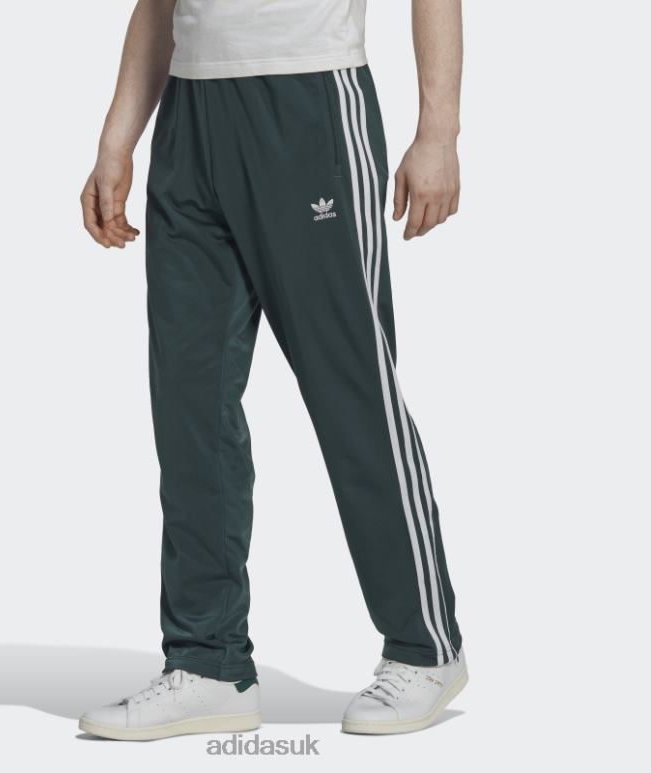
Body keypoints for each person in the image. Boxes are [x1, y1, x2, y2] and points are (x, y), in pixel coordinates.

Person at [79, 0, 466, 740]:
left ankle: (426, 647)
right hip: (190, 118)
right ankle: (208, 661)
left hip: (308, 102)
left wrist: (438, 131)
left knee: (352, 392)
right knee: (190, 405)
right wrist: (117, 140)